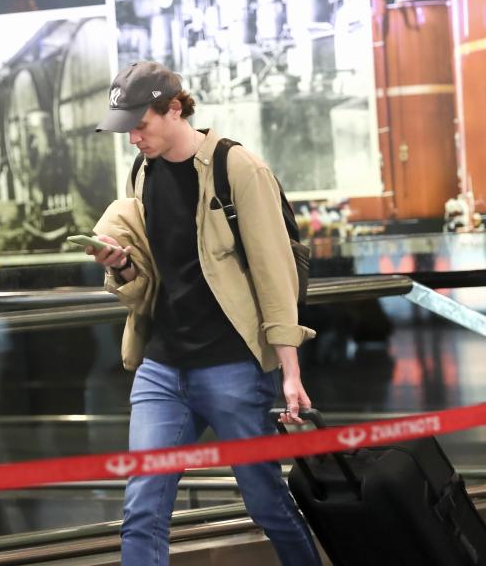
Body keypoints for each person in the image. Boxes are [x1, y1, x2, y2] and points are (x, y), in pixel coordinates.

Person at [88, 61, 321, 566]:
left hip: (232, 365)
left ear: (174, 108)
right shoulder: (143, 172)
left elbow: (274, 273)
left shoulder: (237, 167)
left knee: (267, 503)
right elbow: (156, 278)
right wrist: (123, 266)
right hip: (163, 366)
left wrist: (290, 370)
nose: (133, 138)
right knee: (142, 509)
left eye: (140, 124)